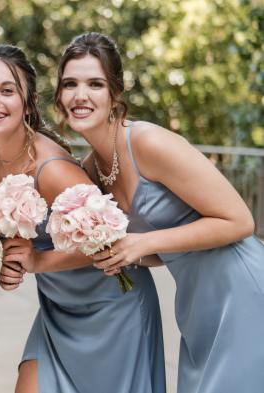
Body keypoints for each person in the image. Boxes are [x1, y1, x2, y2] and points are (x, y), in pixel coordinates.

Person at [56, 32, 264, 393]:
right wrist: (125, 252)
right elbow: (160, 250)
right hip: (197, 306)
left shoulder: (147, 142)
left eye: (95, 83)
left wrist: (142, 241)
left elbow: (240, 221)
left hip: (242, 291)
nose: (80, 95)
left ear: (115, 94)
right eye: (70, 84)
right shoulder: (92, 171)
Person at [0, 44, 165, 393]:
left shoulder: (52, 169)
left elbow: (110, 239)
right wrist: (2, 261)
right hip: (58, 307)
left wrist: (36, 260)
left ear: (28, 102)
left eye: (7, 90)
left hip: (112, 305)